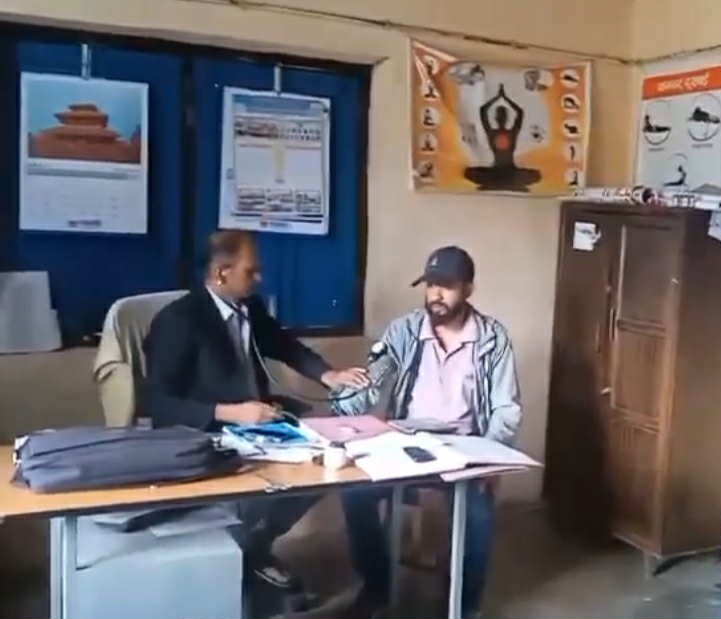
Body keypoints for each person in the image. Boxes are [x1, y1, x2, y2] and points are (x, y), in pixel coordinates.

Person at [143, 230, 367, 599]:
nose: (259, 278)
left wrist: (329, 375)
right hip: (208, 429)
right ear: (222, 273)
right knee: (257, 489)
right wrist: (231, 412)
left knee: (330, 464)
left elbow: (284, 344)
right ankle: (234, 564)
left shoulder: (249, 307)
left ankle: (253, 547)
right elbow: (158, 402)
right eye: (251, 271)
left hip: (258, 420)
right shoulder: (179, 320)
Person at [333, 246, 522, 618]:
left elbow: (506, 407)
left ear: (468, 289)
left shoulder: (493, 339)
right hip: (407, 444)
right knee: (355, 494)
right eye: (431, 285)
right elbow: (375, 379)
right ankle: (377, 587)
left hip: (466, 448)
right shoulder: (403, 330)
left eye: (446, 286)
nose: (436, 294)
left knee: (479, 516)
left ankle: (464, 606)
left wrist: (493, 453)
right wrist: (347, 399)